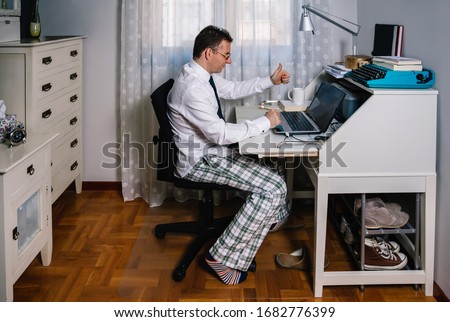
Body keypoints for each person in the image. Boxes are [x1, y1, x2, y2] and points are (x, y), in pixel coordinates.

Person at [167, 25, 291, 285]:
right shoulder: (192, 88)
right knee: (273, 187)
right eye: (226, 55)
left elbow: (232, 90)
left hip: (210, 152)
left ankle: (255, 228)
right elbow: (220, 135)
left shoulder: (201, 74)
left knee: (274, 165)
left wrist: (270, 80)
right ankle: (221, 257)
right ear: (209, 52)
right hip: (199, 161)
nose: (229, 60)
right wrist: (264, 123)